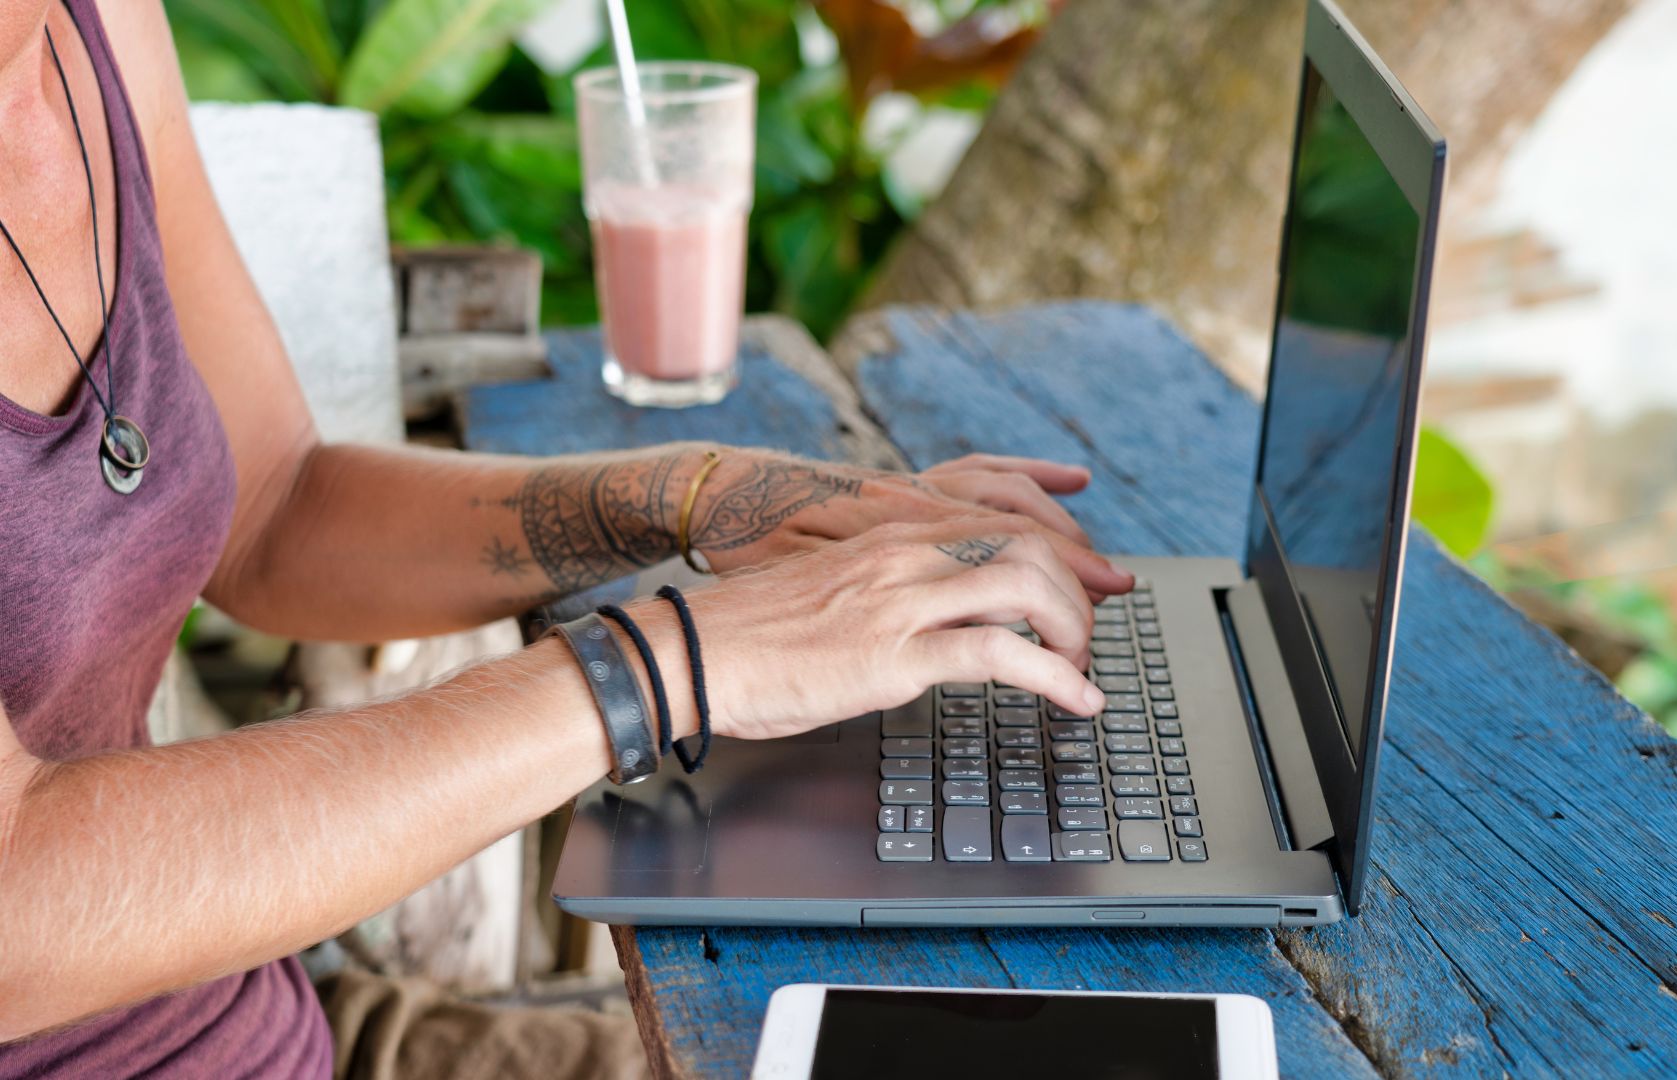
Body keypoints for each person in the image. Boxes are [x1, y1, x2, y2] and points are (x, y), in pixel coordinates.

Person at [0, 0, 1131, 1075]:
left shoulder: (87, 28)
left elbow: (273, 508)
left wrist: (699, 493)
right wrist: (678, 663)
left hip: (270, 1031)